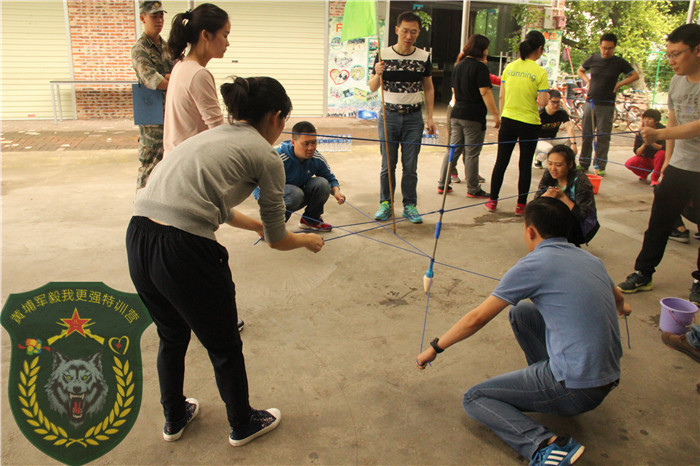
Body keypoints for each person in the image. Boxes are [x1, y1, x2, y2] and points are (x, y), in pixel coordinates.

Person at [126, 76, 324, 446]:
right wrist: (305, 241)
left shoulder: (211, 137)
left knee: (171, 335)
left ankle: (174, 416)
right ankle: (243, 421)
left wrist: (256, 228)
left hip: (139, 236)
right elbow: (279, 240)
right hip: (184, 248)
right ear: (277, 118)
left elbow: (217, 207)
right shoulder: (267, 155)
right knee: (224, 343)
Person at [416, 197, 631, 466]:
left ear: (530, 231)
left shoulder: (534, 264)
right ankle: (548, 388)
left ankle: (546, 446)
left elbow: (477, 318)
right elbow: (618, 297)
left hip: (578, 387)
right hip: (608, 376)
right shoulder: (590, 259)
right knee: (522, 312)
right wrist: (623, 308)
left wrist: (434, 349)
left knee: (475, 398)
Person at [617, 23, 700, 306]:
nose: (672, 61)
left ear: (698, 51)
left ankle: (699, 280)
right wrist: (669, 161)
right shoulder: (677, 82)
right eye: (669, 54)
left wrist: (660, 135)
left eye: (677, 54)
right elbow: (676, 119)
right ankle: (644, 272)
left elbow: (697, 127)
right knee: (659, 222)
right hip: (680, 165)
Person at [369, 10, 436, 224]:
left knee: (411, 165)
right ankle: (386, 204)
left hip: (414, 118)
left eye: (413, 32)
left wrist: (431, 117)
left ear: (418, 33)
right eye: (405, 31)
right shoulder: (383, 55)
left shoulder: (423, 57)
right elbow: (371, 87)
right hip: (388, 116)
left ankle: (409, 206)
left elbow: (428, 87)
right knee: (388, 164)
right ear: (397, 30)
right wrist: (378, 73)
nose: (409, 36)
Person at [486, 30, 550, 216]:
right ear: (539, 49)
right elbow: (544, 102)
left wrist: (502, 115)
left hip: (508, 120)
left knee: (501, 161)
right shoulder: (540, 72)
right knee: (525, 164)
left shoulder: (510, 67)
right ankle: (521, 206)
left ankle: (492, 201)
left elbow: (503, 96)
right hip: (530, 123)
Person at [436, 34, 500, 198]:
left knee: (453, 150)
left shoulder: (459, 65)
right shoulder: (480, 68)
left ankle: (443, 183)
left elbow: (454, 91)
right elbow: (485, 92)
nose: (487, 51)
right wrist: (496, 115)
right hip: (473, 116)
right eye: (486, 47)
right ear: (481, 49)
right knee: (472, 153)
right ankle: (473, 188)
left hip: (456, 113)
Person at [163, 3, 229, 155]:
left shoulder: (180, 66)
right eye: (224, 35)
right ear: (205, 35)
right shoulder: (198, 74)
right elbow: (217, 130)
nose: (227, 43)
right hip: (189, 163)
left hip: (175, 159)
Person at [577, 33, 639, 176]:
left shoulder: (619, 62)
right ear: (600, 46)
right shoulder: (593, 59)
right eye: (604, 48)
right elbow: (581, 70)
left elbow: (635, 75)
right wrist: (587, 81)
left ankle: (600, 165)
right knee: (587, 134)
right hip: (590, 102)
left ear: (614, 48)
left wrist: (619, 84)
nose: (606, 51)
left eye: (610, 48)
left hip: (607, 104)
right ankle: (583, 163)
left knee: (603, 136)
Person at [131, 1, 173, 188]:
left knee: (169, 164)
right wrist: (168, 79)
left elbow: (176, 77)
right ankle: (141, 212)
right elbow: (153, 81)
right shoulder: (140, 49)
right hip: (152, 119)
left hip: (171, 115)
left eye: (161, 16)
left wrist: (166, 78)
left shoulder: (167, 47)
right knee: (150, 165)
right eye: (153, 16)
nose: (159, 20)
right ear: (142, 18)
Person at [276, 121, 346, 232]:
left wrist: (336, 192)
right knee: (295, 193)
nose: (311, 148)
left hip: (298, 194)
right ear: (293, 142)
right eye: (306, 143)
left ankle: (310, 220)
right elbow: (259, 184)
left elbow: (330, 178)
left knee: (322, 183)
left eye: (314, 143)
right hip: (277, 197)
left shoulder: (316, 158)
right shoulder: (277, 158)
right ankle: (273, 227)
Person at [535, 145, 599, 245]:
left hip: (578, 225)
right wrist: (545, 195)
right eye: (550, 163)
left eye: (558, 165)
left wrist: (563, 197)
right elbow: (536, 201)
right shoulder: (549, 174)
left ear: (570, 164)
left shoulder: (581, 181)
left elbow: (582, 215)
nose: (553, 168)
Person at [533, 89, 577, 169]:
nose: (556, 105)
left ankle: (564, 159)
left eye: (558, 102)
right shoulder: (540, 114)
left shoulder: (562, 112)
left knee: (569, 138)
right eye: (553, 102)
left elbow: (569, 127)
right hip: (540, 139)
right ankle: (538, 159)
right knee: (548, 148)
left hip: (553, 137)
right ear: (548, 101)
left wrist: (574, 144)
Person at [624, 108, 666, 186]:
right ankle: (644, 173)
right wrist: (644, 145)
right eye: (645, 118)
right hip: (646, 158)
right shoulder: (640, 131)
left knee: (662, 154)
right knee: (630, 163)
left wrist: (651, 142)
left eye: (650, 119)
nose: (646, 121)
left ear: (656, 121)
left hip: (657, 160)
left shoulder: (662, 130)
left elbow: (662, 148)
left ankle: (655, 178)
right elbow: (637, 152)